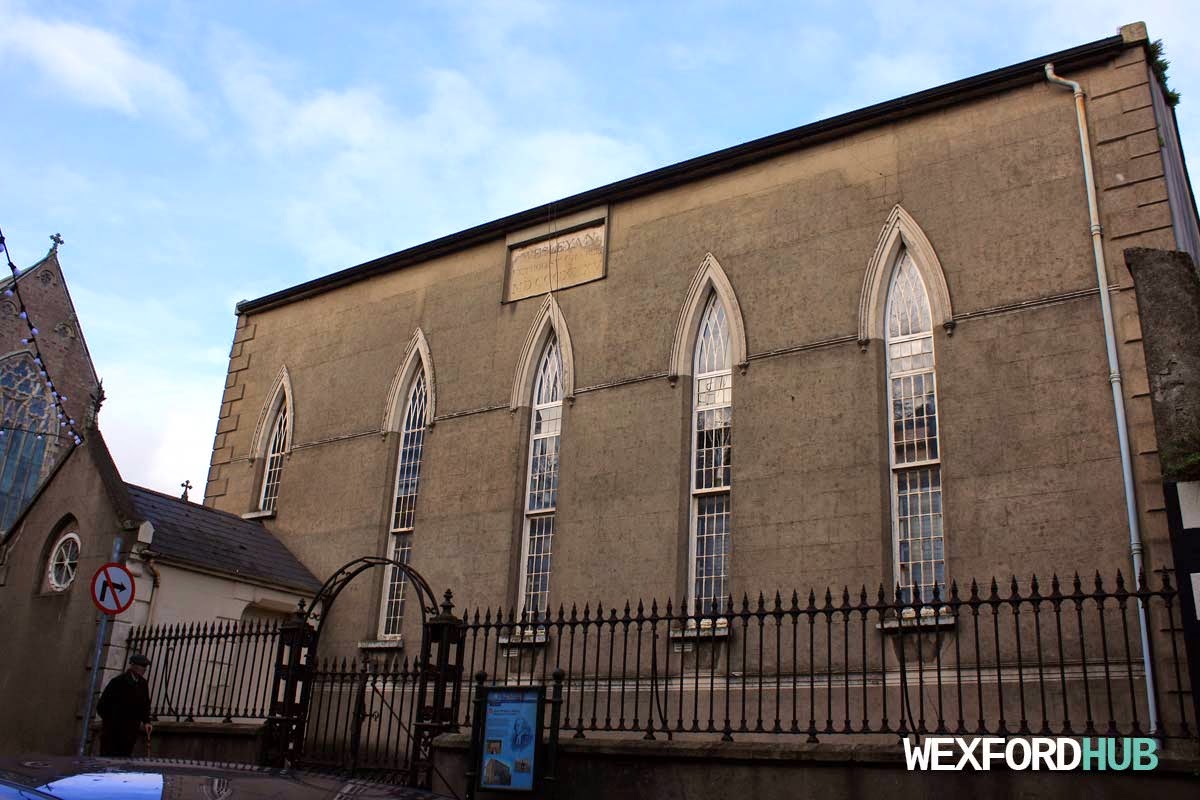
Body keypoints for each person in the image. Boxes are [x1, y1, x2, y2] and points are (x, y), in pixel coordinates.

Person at [96, 653, 153, 757]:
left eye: (145, 666)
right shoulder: (118, 682)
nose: (144, 669)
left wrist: (146, 721)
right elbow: (102, 705)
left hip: (130, 733)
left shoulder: (143, 684)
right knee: (109, 759)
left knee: (124, 760)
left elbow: (145, 704)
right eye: (142, 665)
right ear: (133, 666)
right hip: (113, 733)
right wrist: (111, 722)